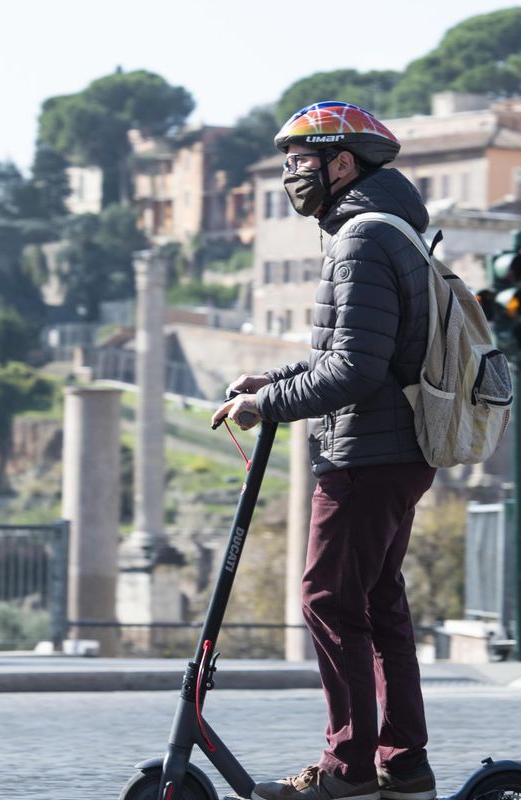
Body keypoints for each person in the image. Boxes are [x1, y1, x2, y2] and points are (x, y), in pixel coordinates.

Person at [212, 102, 437, 800]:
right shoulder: (387, 229)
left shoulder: (361, 239)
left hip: (366, 453)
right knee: (377, 603)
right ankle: (403, 766)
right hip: (395, 449)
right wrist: (273, 381)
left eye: (300, 162)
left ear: (343, 164)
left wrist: (268, 405)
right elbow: (356, 352)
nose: (290, 175)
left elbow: (355, 370)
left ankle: (348, 771)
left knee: (329, 600)